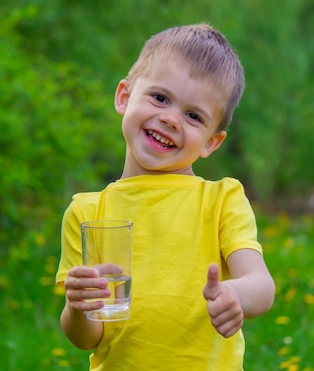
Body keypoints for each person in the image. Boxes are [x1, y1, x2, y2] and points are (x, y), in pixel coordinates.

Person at [56, 23, 275, 370]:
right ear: (124, 97)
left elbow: (262, 284)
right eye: (159, 98)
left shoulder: (221, 200)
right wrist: (78, 306)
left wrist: (237, 295)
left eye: (193, 116)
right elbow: (86, 338)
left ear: (210, 143)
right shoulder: (88, 212)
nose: (171, 119)